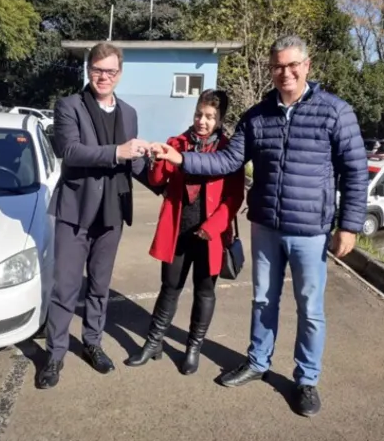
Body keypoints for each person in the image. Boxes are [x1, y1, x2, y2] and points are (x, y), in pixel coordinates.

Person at [152, 35, 369, 417]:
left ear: (307, 65)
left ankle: (306, 380)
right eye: (277, 66)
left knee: (310, 308)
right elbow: (226, 162)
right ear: (270, 70)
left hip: (311, 230)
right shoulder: (257, 116)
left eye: (292, 65)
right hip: (265, 225)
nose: (285, 72)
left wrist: (348, 225)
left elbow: (354, 171)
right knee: (264, 300)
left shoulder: (335, 112)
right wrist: (181, 158)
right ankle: (257, 361)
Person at [37, 42, 150, 389]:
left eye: (110, 71)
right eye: (98, 70)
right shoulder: (69, 105)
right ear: (89, 70)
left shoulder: (128, 113)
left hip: (112, 213)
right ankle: (54, 356)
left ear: (120, 73)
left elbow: (137, 164)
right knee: (65, 289)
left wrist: (162, 163)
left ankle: (92, 343)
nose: (104, 76)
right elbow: (69, 150)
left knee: (100, 288)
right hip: (75, 212)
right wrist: (118, 152)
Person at [123, 90, 246, 375]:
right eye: (199, 114)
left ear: (220, 119)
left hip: (209, 235)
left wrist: (213, 227)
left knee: (205, 291)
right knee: (170, 288)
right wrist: (158, 159)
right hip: (177, 230)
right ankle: (154, 343)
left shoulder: (229, 151)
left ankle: (193, 348)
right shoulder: (176, 143)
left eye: (210, 117)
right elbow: (157, 180)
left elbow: (234, 198)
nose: (202, 121)